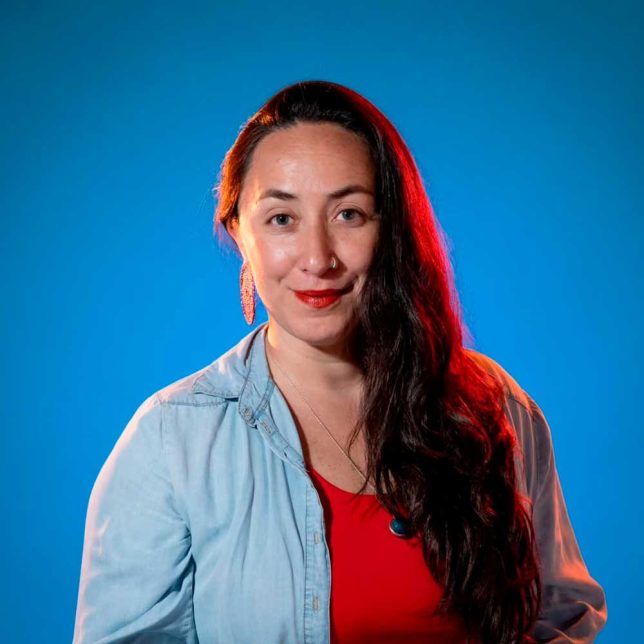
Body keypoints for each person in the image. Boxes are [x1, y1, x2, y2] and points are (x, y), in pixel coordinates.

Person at [73, 80, 607, 643]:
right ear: (239, 234)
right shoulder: (172, 440)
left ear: (391, 227)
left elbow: (562, 618)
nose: (318, 258)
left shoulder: (493, 405)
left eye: (349, 214)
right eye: (282, 219)